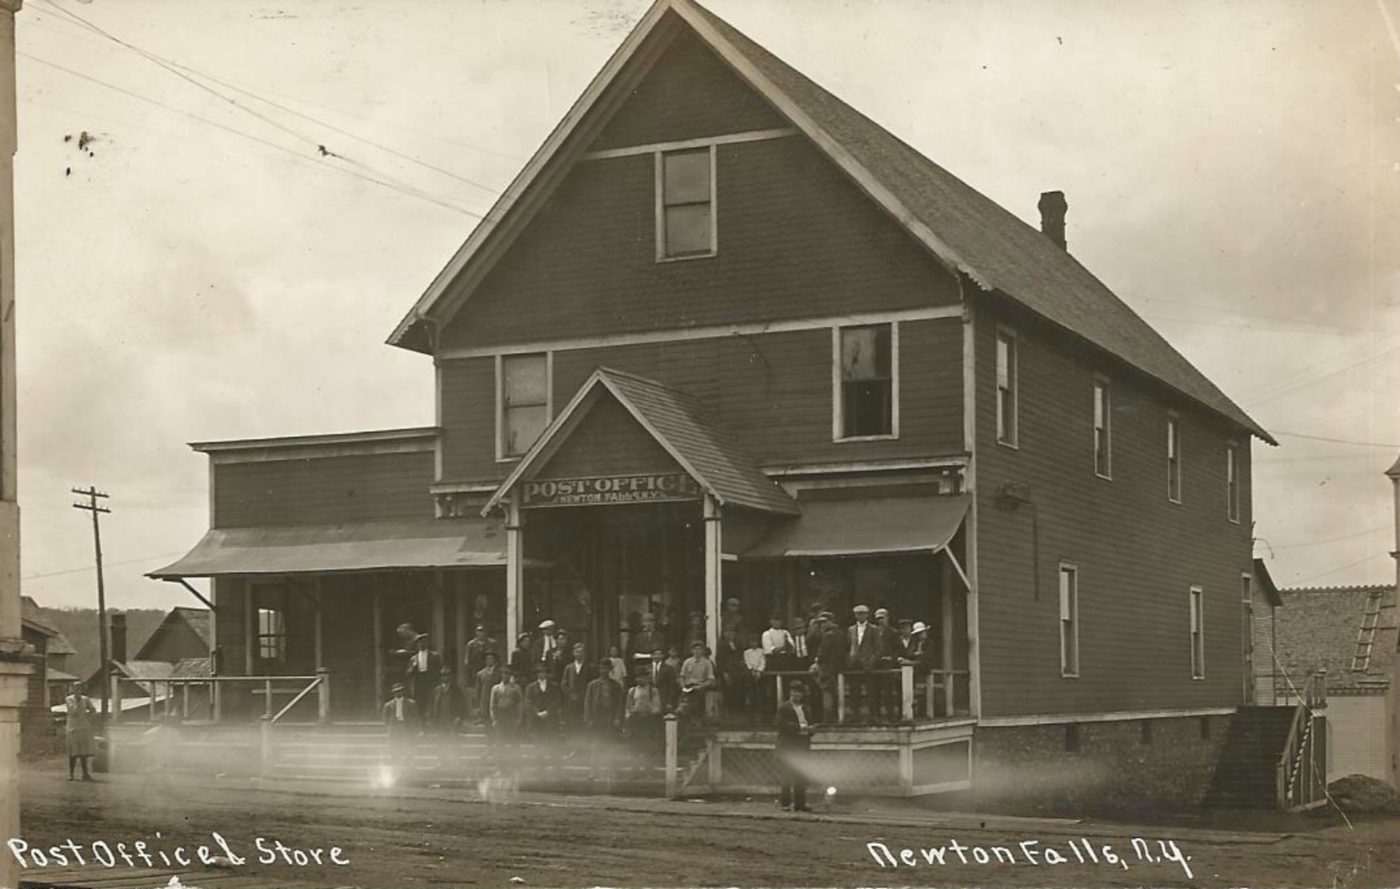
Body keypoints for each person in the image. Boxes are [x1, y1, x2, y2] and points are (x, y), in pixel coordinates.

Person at [775, 681, 815, 812]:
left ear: (802, 694)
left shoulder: (806, 708)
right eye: (794, 692)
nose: (796, 694)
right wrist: (800, 727)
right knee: (787, 776)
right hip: (788, 746)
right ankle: (785, 803)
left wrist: (811, 729)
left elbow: (810, 724)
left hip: (802, 745)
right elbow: (781, 725)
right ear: (790, 693)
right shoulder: (784, 708)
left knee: (801, 776)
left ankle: (800, 803)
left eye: (798, 692)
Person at [582, 657, 624, 780]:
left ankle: (612, 771)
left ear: (610, 670)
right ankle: (593, 772)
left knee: (611, 746)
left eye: (606, 668)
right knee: (595, 746)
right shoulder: (592, 685)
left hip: (610, 719)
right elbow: (587, 703)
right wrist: (588, 719)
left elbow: (619, 704)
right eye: (601, 668)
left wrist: (617, 718)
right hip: (597, 719)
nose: (604, 671)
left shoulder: (616, 685)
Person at [847, 604, 880, 723]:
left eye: (863, 613)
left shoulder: (874, 629)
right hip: (854, 665)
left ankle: (873, 716)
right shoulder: (851, 629)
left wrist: (871, 661)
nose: (860, 616)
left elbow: (878, 648)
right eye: (858, 614)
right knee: (854, 691)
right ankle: (855, 716)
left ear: (867, 615)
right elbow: (848, 646)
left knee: (871, 691)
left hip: (868, 664)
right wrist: (850, 659)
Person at [815, 611, 845, 722]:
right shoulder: (841, 633)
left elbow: (823, 653)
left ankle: (828, 719)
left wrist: (817, 661)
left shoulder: (829, 635)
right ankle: (836, 717)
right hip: (838, 668)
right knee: (835, 693)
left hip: (828, 668)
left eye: (824, 622)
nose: (822, 625)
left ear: (830, 621)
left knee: (827, 693)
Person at [625, 667, 664, 754]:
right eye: (638, 677)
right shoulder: (632, 690)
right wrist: (629, 715)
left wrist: (650, 711)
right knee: (635, 743)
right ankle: (636, 762)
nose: (639, 679)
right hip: (636, 719)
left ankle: (648, 762)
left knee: (647, 743)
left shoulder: (653, 691)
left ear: (647, 678)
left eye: (642, 677)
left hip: (648, 719)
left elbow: (657, 706)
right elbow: (628, 706)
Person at [382, 683, 419, 772]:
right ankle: (396, 768)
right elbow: (385, 719)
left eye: (400, 691)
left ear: (403, 691)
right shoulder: (388, 705)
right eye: (396, 692)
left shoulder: (411, 703)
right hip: (395, 728)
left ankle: (410, 768)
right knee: (395, 749)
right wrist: (391, 727)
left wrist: (414, 728)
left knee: (408, 748)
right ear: (393, 693)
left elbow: (416, 717)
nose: (398, 693)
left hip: (406, 728)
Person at [64, 682, 97, 781]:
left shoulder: (85, 699)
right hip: (72, 728)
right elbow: (73, 711)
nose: (78, 690)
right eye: (75, 688)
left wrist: (88, 715)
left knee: (84, 752)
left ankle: (85, 774)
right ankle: (71, 774)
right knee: (73, 752)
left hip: (84, 727)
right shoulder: (69, 699)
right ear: (72, 689)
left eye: (79, 688)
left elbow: (93, 709)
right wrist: (78, 702)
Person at [406, 635, 442, 725]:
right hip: (419, 681)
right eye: (420, 642)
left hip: (430, 680)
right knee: (420, 701)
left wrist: (437, 681)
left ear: (427, 643)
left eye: (425, 642)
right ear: (417, 644)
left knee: (431, 699)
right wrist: (413, 668)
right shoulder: (413, 658)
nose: (423, 644)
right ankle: (421, 722)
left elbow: (439, 670)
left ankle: (432, 720)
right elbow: (408, 673)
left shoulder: (434, 655)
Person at [463, 625, 497, 719]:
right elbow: (467, 661)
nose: (481, 634)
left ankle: (491, 715)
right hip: (476, 673)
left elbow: (497, 657)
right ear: (476, 633)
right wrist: (471, 672)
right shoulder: (471, 644)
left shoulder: (492, 643)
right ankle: (479, 716)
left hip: (490, 671)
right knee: (477, 694)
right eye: (479, 632)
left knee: (490, 693)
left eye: (483, 631)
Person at [678, 641, 716, 723]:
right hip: (688, 686)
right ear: (692, 651)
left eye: (699, 649)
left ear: (702, 651)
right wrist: (683, 686)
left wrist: (701, 686)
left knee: (697, 699)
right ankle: (684, 718)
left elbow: (710, 679)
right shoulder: (687, 662)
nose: (697, 651)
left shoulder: (707, 663)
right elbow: (681, 676)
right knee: (683, 699)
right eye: (695, 649)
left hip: (700, 686)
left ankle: (697, 719)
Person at [560, 642, 594, 735]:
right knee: (572, 723)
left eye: (581, 652)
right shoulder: (568, 668)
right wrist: (570, 694)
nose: (579, 654)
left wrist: (586, 695)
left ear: (585, 653)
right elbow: (563, 684)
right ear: (573, 653)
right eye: (577, 652)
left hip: (585, 700)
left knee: (584, 723)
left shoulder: (590, 667)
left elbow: (592, 684)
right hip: (572, 701)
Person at [523, 664, 561, 740]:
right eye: (539, 672)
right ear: (536, 674)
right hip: (535, 718)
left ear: (547, 674)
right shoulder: (530, 687)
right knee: (537, 739)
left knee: (550, 740)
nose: (542, 674)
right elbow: (528, 701)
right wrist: (537, 712)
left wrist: (548, 711)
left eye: (544, 672)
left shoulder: (554, 686)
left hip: (550, 717)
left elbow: (556, 700)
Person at [489, 668, 524, 746]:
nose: (505, 676)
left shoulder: (516, 688)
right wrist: (494, 718)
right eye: (503, 674)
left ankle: (513, 756)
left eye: (507, 674)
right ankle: (501, 755)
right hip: (500, 716)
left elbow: (520, 704)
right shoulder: (496, 688)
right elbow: (492, 704)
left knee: (513, 739)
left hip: (512, 715)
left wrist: (519, 718)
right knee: (499, 739)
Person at [427, 666, 466, 731]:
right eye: (443, 676)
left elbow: (461, 705)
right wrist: (431, 718)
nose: (445, 678)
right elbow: (431, 705)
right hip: (439, 721)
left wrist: (458, 717)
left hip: (452, 721)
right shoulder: (436, 690)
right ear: (440, 677)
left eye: (447, 675)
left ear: (450, 677)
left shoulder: (456, 690)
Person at [474, 651, 503, 726]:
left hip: (496, 701)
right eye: (487, 659)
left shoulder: (500, 673)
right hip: (485, 702)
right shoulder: (480, 674)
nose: (489, 661)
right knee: (487, 725)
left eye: (491, 659)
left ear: (495, 660)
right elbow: (478, 691)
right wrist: (477, 706)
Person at [743, 634, 767, 718]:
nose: (753, 644)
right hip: (750, 672)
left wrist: (759, 671)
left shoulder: (761, 651)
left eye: (755, 642)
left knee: (761, 688)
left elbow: (762, 661)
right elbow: (747, 662)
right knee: (750, 687)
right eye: (752, 642)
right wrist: (751, 670)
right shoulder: (746, 652)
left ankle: (761, 707)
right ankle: (750, 705)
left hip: (760, 671)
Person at [650, 647, 679, 713]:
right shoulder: (647, 669)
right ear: (651, 656)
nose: (656, 656)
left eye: (659, 654)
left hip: (664, 699)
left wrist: (669, 702)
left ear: (662, 656)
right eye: (654, 654)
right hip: (650, 699)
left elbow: (672, 686)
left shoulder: (668, 668)